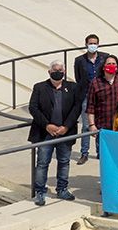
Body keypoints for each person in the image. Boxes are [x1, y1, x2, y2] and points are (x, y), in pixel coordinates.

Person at [27, 61, 80, 206]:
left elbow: (76, 108)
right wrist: (47, 125)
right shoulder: (40, 87)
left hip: (65, 132)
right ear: (49, 72)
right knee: (43, 163)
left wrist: (66, 127)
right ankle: (40, 192)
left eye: (61, 70)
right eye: (55, 70)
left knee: (64, 162)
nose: (58, 72)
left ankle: (62, 189)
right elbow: (33, 107)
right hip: (46, 133)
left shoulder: (72, 87)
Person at [86, 55, 118, 163]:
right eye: (109, 64)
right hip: (104, 129)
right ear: (103, 67)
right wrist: (92, 125)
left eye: (114, 64)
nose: (111, 66)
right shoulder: (96, 82)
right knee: (105, 159)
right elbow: (90, 106)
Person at [73, 34, 106, 163]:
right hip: (86, 95)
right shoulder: (79, 60)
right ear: (86, 44)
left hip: (100, 95)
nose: (93, 45)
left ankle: (100, 151)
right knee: (86, 125)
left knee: (100, 125)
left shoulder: (104, 58)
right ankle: (84, 153)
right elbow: (78, 78)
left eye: (95, 43)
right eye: (90, 43)